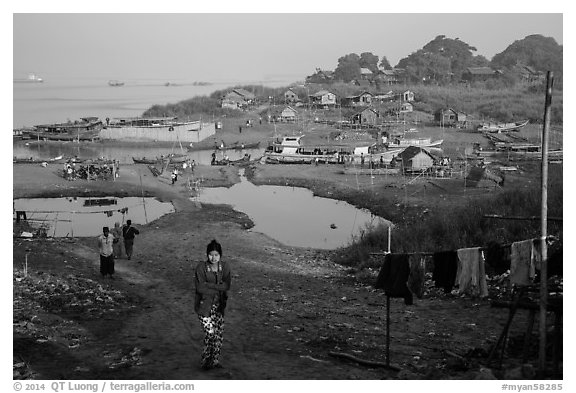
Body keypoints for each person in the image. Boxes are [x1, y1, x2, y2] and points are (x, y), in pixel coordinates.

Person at [195, 239, 232, 370]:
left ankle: (214, 361)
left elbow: (227, 285)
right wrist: (218, 287)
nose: (213, 257)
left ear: (220, 255)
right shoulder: (201, 267)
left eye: (216, 255)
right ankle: (205, 361)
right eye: (211, 254)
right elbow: (200, 288)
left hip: (219, 307)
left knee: (219, 335)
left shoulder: (225, 267)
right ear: (207, 254)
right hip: (204, 307)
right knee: (210, 334)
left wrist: (209, 285)